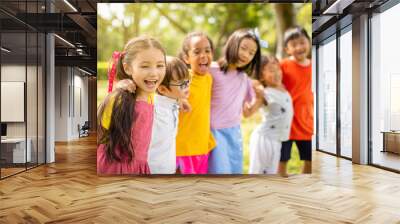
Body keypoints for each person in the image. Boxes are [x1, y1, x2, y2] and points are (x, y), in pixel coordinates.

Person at [97, 36, 166, 175]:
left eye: (160, 65)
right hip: (116, 168)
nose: (154, 72)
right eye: (145, 66)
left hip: (139, 167)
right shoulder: (121, 98)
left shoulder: (150, 96)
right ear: (128, 68)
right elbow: (100, 130)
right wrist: (117, 90)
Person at [208, 28, 262, 174]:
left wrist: (260, 98)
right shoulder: (211, 70)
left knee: (233, 171)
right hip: (213, 132)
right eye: (243, 48)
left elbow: (247, 112)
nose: (246, 55)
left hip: (233, 133)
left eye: (251, 53)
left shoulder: (244, 79)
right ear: (233, 44)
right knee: (217, 172)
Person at [175, 31, 216, 174]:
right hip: (182, 148)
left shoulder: (209, 78)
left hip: (202, 146)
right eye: (197, 52)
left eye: (207, 51)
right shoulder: (183, 79)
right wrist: (178, 99)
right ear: (186, 58)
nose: (203, 55)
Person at [245, 55, 293, 174]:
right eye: (271, 70)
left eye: (278, 69)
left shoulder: (282, 87)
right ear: (262, 75)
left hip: (277, 141)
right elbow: (248, 113)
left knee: (271, 173)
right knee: (257, 172)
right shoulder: (264, 93)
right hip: (264, 139)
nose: (277, 73)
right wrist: (256, 88)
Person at [279, 26, 313, 176]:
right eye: (294, 45)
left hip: (306, 121)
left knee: (310, 160)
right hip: (286, 122)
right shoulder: (283, 66)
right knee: (282, 159)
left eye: (302, 42)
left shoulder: (315, 65)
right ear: (287, 49)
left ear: (309, 42)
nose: (299, 47)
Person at [148, 57, 191, 174]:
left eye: (188, 81)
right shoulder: (155, 113)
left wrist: (179, 100)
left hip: (168, 168)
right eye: (182, 85)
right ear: (162, 89)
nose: (187, 88)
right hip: (153, 171)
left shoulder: (172, 101)